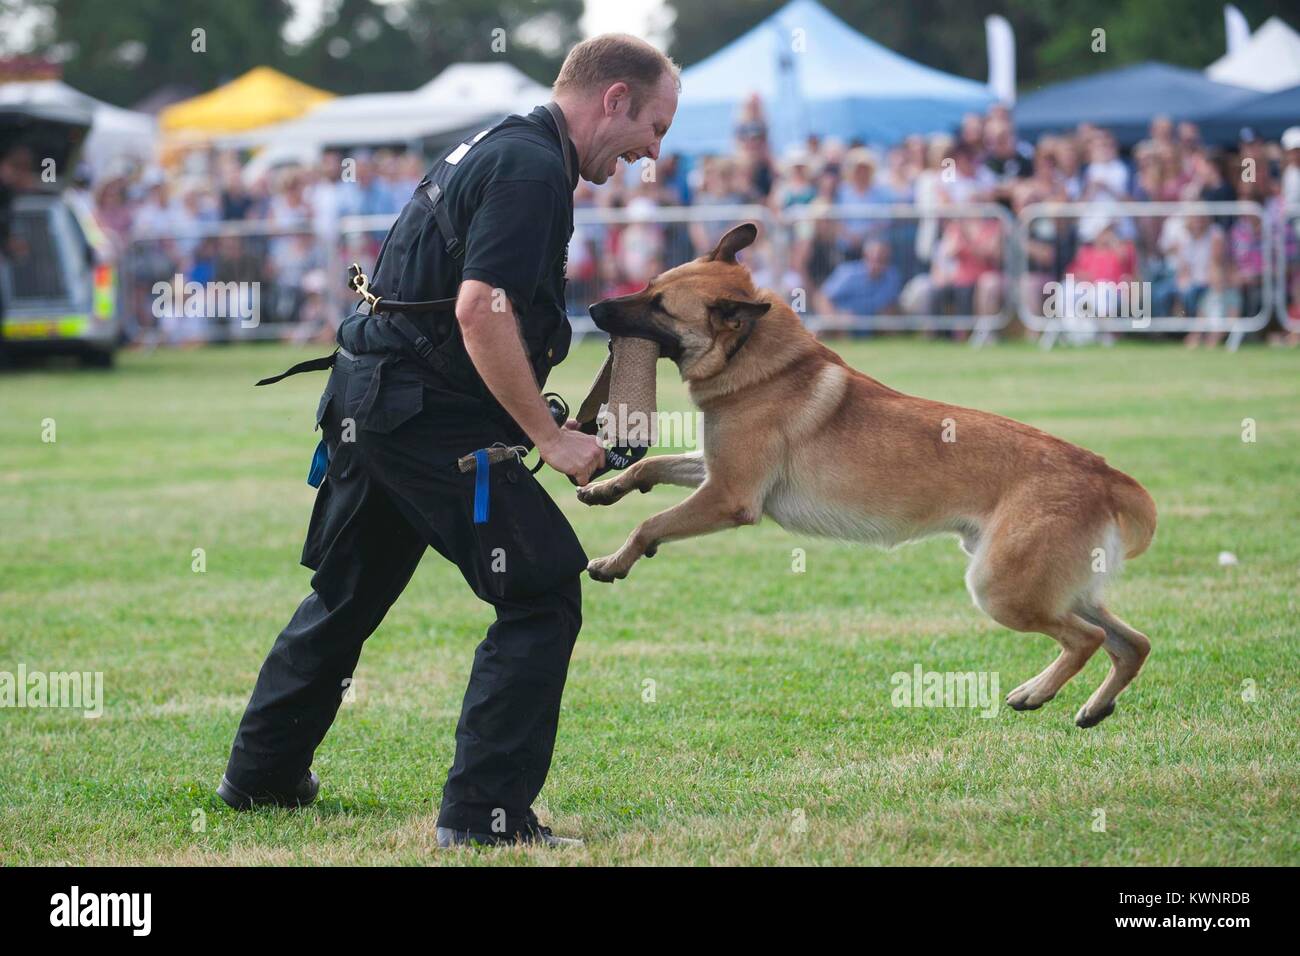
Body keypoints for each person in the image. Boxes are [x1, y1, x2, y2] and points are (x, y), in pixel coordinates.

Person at [217, 34, 680, 849]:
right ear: (614, 99)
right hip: (421, 419)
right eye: (655, 126)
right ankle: (484, 817)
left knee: (347, 595)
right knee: (540, 592)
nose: (653, 152)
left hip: (376, 402)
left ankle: (260, 778)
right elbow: (479, 308)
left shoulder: (503, 145)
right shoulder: (534, 168)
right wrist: (548, 435)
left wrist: (539, 414)